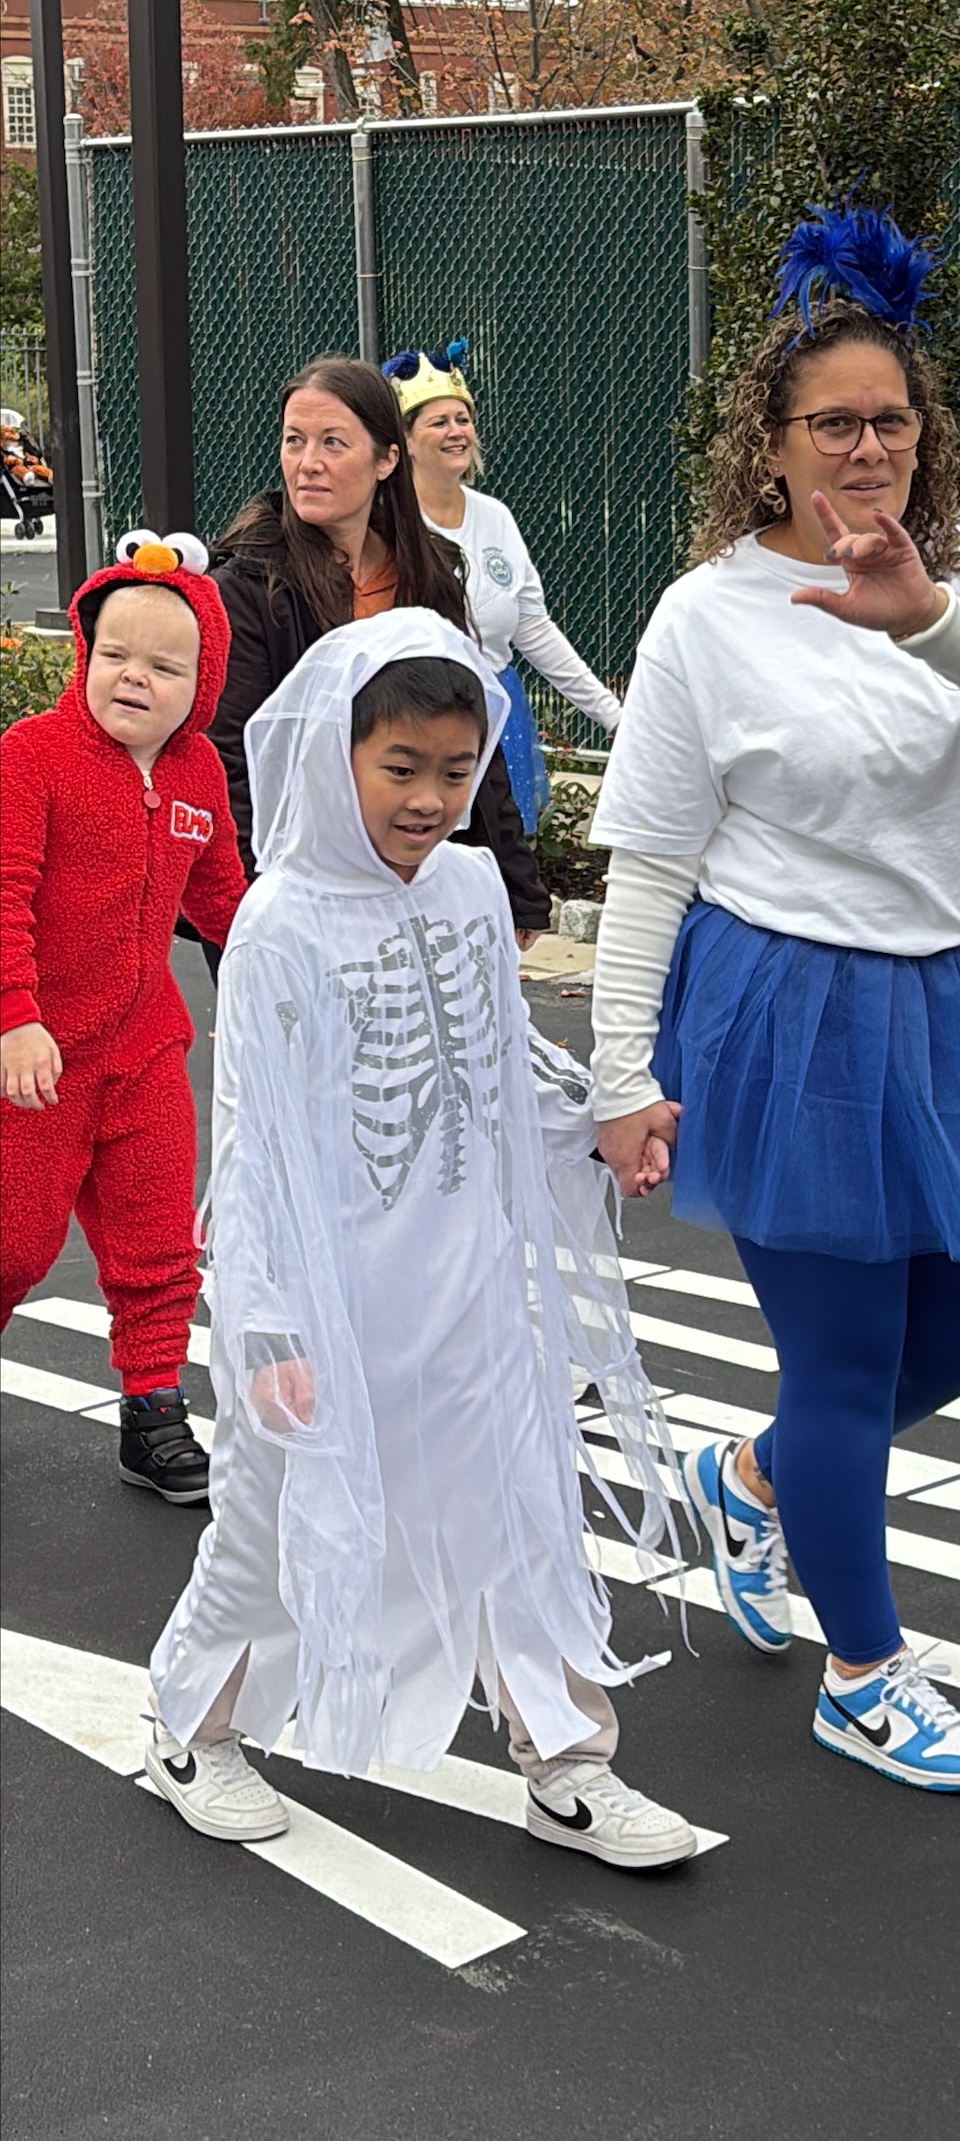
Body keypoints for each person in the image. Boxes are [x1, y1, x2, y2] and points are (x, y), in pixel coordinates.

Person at [586, 202, 960, 1796]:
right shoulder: (708, 615)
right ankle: (863, 1674)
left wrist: (926, 615)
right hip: (784, 1009)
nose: (868, 447)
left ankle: (751, 1479)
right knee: (849, 1367)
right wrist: (618, 1074)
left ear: (923, 432)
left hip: (959, 998)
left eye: (891, 420)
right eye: (834, 423)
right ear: (774, 441)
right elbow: (653, 863)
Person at [144, 609, 696, 1871]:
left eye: (456, 770)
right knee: (275, 1522)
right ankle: (190, 1726)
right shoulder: (281, 919)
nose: (430, 800)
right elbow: (253, 1137)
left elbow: (494, 1062)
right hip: (327, 1291)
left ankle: (566, 1757)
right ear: (338, 755)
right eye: (401, 767)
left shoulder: (466, 886)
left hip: (463, 1275)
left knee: (512, 1507)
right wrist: (268, 1326)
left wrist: (594, 1125)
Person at [0, 537, 247, 1504]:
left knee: (158, 1241)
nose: (134, 677)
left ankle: (152, 1409)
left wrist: (290, 982)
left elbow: (226, 901)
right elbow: (5, 894)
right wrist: (15, 1016)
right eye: (115, 655)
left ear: (203, 684)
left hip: (145, 1047)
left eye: (163, 666)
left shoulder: (197, 774)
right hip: (40, 1055)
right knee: (15, 1241)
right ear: (85, 653)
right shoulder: (33, 757)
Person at [206, 354, 551, 947]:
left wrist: (516, 887)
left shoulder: (428, 576)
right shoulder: (249, 587)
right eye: (294, 441)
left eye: (333, 443)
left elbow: (469, 742)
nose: (307, 463)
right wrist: (254, 911)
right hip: (296, 892)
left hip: (415, 878)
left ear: (387, 459)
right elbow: (229, 761)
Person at [385, 341, 622, 833]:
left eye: (463, 419)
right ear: (405, 440)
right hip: (414, 716)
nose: (456, 432)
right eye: (438, 422)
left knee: (502, 852)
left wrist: (612, 715)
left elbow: (531, 627)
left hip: (495, 710)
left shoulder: (496, 517)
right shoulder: (388, 524)